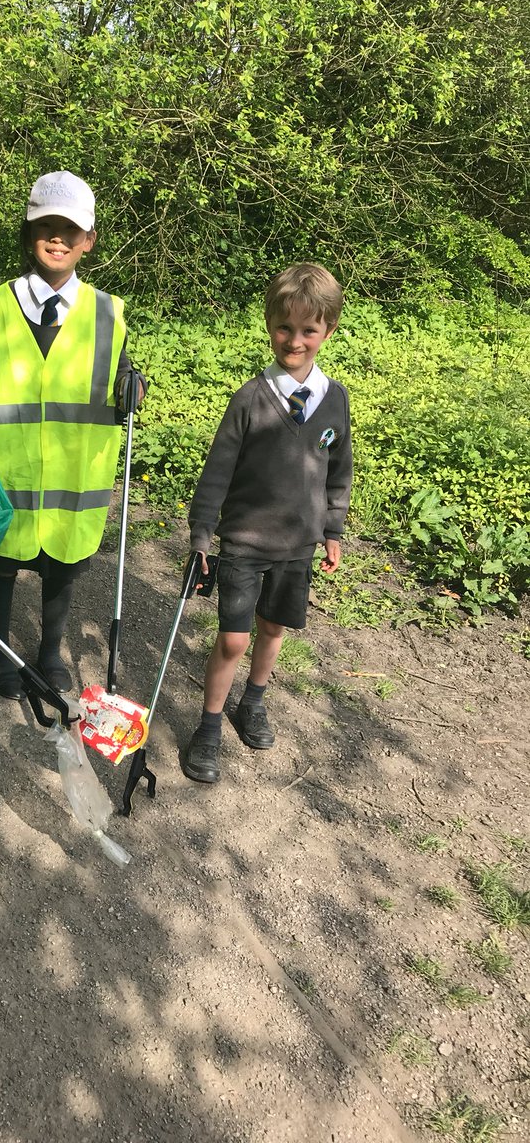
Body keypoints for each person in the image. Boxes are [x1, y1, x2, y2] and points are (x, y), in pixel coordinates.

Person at [0, 170, 145, 699]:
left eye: (70, 228)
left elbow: (119, 374)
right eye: (47, 225)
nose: (58, 237)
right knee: (0, 563)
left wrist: (133, 388)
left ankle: (48, 653)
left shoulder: (107, 313)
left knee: (61, 566)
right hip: (9, 468)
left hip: (72, 473)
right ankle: (0, 650)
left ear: (88, 240)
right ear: (29, 231)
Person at [182, 263, 353, 783]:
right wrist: (201, 535)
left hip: (298, 545)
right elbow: (216, 473)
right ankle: (209, 723)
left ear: (328, 331)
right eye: (285, 328)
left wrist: (333, 530)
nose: (295, 340)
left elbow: (338, 471)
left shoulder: (334, 399)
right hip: (243, 541)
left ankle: (251, 703)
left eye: (308, 330)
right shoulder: (251, 399)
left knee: (273, 628)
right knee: (233, 638)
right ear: (269, 325)